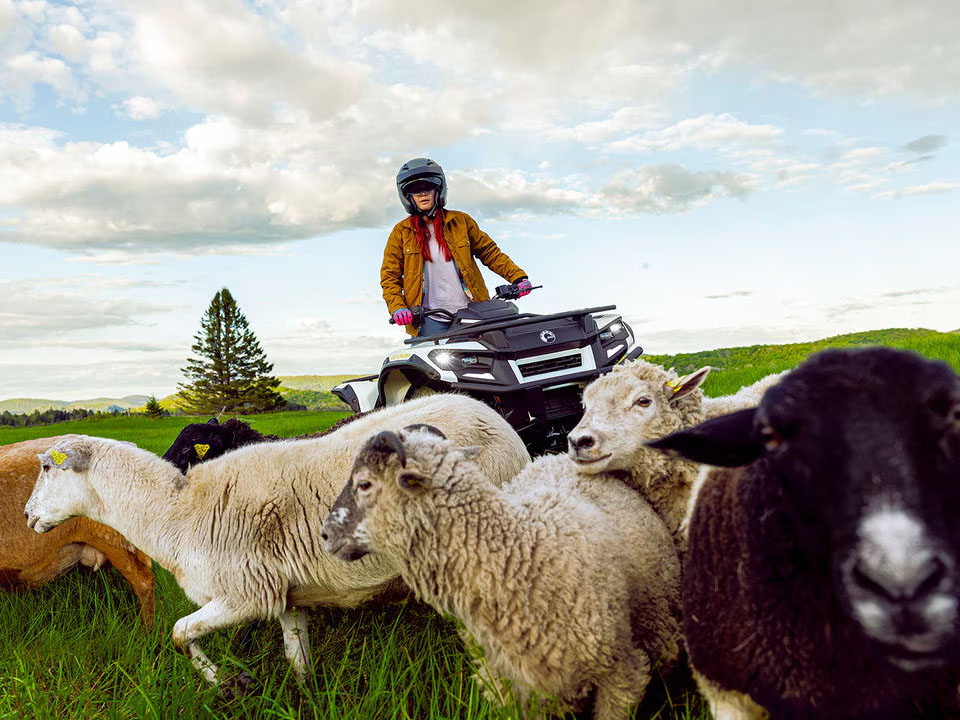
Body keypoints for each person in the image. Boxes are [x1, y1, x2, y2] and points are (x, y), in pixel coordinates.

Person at [381, 157, 532, 338]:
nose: (422, 194)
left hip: (473, 312)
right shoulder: (401, 232)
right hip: (429, 319)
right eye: (415, 190)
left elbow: (490, 253)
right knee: (430, 363)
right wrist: (398, 307)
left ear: (438, 190)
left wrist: (518, 277)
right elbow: (390, 277)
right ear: (408, 197)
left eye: (427, 187)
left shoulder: (461, 222)